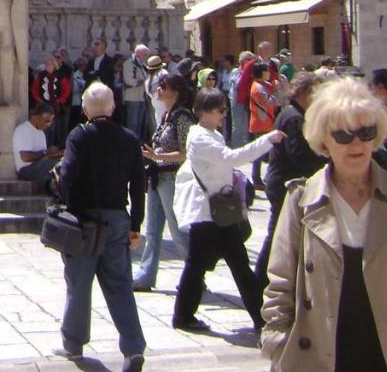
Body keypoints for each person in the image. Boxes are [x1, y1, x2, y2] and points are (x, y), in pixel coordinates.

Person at [262, 77, 387, 371]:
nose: (357, 144)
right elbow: (280, 286)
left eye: (366, 132)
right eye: (343, 135)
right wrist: (279, 345)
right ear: (324, 139)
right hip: (321, 357)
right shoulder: (301, 200)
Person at [171, 88, 283, 334]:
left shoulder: (209, 133)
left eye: (224, 109)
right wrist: (267, 140)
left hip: (216, 212)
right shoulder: (201, 137)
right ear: (203, 112)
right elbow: (232, 158)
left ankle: (185, 315)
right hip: (210, 213)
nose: (224, 114)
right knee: (225, 265)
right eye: (219, 110)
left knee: (214, 265)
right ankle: (259, 318)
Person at [53, 81, 146, 371]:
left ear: (85, 110)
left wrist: (61, 196)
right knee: (119, 284)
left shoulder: (79, 136)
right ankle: (133, 348)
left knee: (79, 284)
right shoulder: (129, 138)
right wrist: (135, 224)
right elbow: (139, 184)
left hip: (84, 221)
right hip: (118, 218)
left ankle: (73, 344)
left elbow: (67, 178)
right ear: (113, 107)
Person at [255, 71, 328, 289]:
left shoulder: (291, 113)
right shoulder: (294, 117)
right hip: (284, 184)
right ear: (304, 94)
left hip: (281, 181)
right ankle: (259, 281)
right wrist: (324, 158)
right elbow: (298, 154)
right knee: (278, 234)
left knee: (281, 233)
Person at [132, 71, 194, 292]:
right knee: (153, 229)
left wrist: (157, 157)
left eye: (163, 86)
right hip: (158, 177)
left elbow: (186, 152)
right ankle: (146, 275)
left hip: (172, 178)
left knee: (177, 230)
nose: (158, 90)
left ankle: (194, 275)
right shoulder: (166, 115)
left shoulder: (183, 117)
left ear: (174, 92)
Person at [12, 103, 63, 185]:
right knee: (59, 162)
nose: (49, 124)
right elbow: (25, 157)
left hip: (39, 166)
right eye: (47, 121)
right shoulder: (23, 130)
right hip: (26, 170)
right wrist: (46, 152)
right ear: (36, 117)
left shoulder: (41, 132)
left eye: (50, 122)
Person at [249, 60, 280, 186]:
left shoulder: (263, 84)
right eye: (266, 70)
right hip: (261, 123)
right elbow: (270, 102)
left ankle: (263, 177)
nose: (269, 73)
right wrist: (277, 90)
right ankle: (256, 179)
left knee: (265, 151)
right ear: (261, 73)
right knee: (260, 153)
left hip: (265, 122)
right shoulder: (258, 87)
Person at [31, 55, 71, 148]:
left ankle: (54, 146)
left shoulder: (61, 76)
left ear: (54, 65)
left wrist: (60, 100)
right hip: (44, 105)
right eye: (46, 64)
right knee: (44, 127)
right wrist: (38, 99)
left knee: (54, 128)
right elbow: (34, 88)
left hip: (56, 106)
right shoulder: (41, 75)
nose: (47, 66)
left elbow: (67, 89)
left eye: (49, 64)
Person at [120, 45, 151, 137]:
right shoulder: (128, 63)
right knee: (132, 123)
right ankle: (131, 143)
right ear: (139, 54)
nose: (146, 57)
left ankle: (138, 143)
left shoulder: (143, 65)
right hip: (132, 98)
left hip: (142, 97)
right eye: (145, 55)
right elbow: (129, 80)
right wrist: (143, 81)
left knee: (140, 123)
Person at [229, 51, 256, 146]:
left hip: (248, 101)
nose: (250, 62)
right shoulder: (235, 72)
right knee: (237, 125)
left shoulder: (252, 73)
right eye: (248, 59)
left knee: (247, 126)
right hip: (237, 102)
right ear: (242, 61)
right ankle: (236, 146)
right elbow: (237, 84)